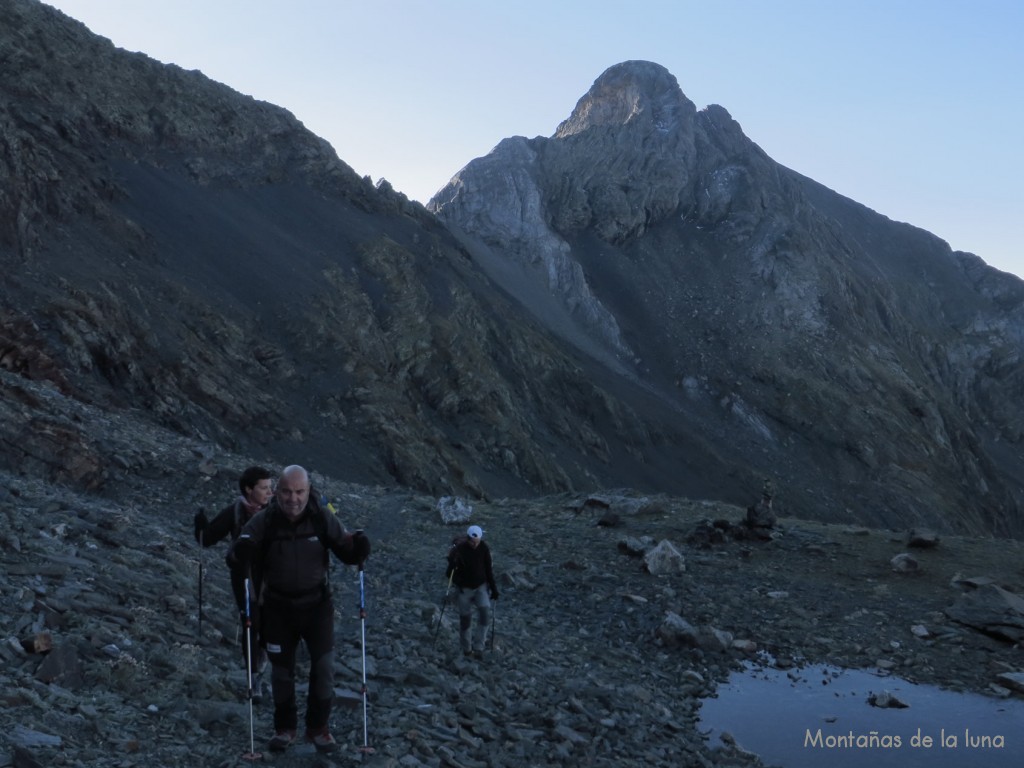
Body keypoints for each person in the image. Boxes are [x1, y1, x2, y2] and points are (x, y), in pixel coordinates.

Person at [227, 465, 371, 754]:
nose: (293, 499)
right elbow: (238, 551)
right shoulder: (265, 520)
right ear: (277, 491)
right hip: (278, 608)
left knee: (324, 667)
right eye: (287, 492)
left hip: (316, 606)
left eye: (299, 492)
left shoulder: (321, 517)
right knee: (281, 673)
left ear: (308, 491)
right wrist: (240, 553)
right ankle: (285, 728)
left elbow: (344, 548)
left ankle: (318, 728)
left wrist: (358, 550)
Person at [193, 466, 274, 701]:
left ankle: (264, 671)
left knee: (270, 625)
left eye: (271, 487)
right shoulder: (236, 512)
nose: (270, 492)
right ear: (249, 489)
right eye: (264, 488)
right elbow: (207, 539)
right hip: (244, 577)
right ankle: (254, 679)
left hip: (273, 576)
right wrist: (200, 526)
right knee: (251, 624)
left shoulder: (277, 511)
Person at [446, 524, 498, 658]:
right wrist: (453, 566)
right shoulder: (459, 551)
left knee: (485, 613)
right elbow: (449, 573)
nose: (474, 544)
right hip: (464, 590)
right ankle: (467, 649)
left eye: (477, 542)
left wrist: (494, 589)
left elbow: (488, 570)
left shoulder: (484, 548)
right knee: (466, 620)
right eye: (472, 542)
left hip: (481, 587)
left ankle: (479, 647)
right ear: (468, 538)